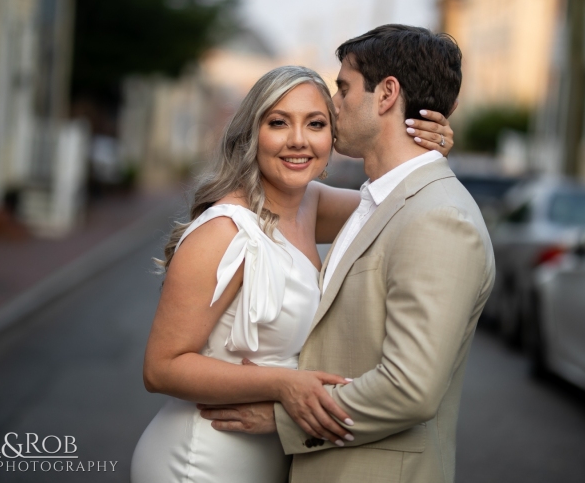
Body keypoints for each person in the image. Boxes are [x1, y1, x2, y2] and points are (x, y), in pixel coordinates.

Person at [130, 63, 454, 483]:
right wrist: (285, 384)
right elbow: (161, 368)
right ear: (252, 133)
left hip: (273, 456)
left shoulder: (310, 204)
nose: (298, 141)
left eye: (316, 124)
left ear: (331, 139)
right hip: (203, 460)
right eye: (278, 123)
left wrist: (429, 151)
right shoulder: (224, 229)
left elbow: (400, 203)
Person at [200, 25, 495, 483]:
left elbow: (410, 388)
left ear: (386, 94)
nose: (333, 106)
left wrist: (282, 417)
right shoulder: (375, 202)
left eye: (342, 88)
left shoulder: (440, 220)